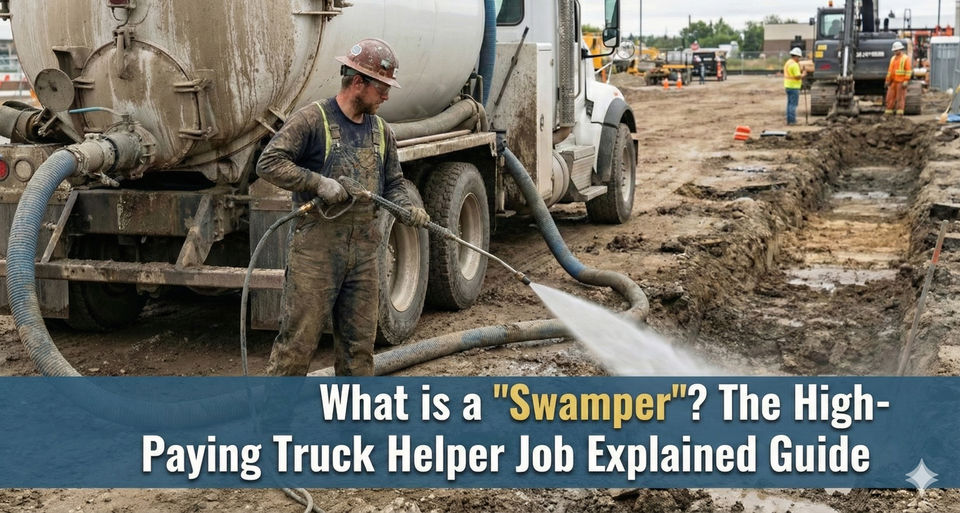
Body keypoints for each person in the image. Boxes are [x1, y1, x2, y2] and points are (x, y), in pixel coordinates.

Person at [256, 38, 430, 376]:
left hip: (365, 255)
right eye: (382, 87)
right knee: (297, 346)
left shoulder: (381, 131)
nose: (387, 96)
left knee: (359, 350)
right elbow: (269, 163)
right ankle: (275, 428)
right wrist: (318, 183)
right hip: (316, 255)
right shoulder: (312, 120)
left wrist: (406, 208)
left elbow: (393, 184)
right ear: (358, 82)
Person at [884, 41, 913, 115]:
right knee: (890, 97)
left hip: (901, 81)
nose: (896, 51)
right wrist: (887, 80)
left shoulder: (905, 58)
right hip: (893, 81)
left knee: (900, 98)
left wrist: (906, 80)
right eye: (895, 50)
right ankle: (888, 112)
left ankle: (899, 113)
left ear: (901, 50)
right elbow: (890, 71)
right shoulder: (893, 58)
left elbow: (908, 70)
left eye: (897, 50)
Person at [783, 47, 806, 125]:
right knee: (793, 105)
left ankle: (789, 120)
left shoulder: (788, 62)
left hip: (788, 86)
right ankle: (792, 121)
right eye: (799, 57)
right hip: (794, 87)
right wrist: (804, 74)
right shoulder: (794, 65)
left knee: (789, 104)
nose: (799, 59)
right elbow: (797, 76)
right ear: (796, 56)